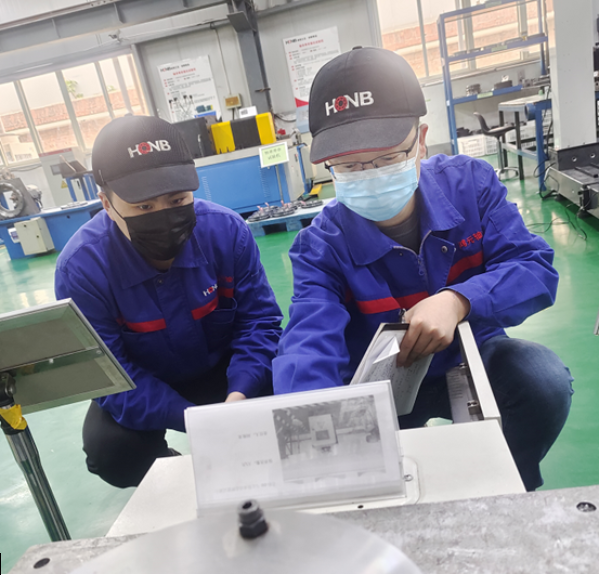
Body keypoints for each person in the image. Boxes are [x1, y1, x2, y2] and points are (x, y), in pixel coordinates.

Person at [272, 47, 573, 491]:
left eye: (388, 158)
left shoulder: (470, 186)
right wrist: (305, 422)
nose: (370, 174)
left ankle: (510, 488)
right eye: (350, 166)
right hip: (380, 385)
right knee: (389, 479)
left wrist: (458, 300)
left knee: (540, 379)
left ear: (422, 140)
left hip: (469, 360)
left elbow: (534, 269)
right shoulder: (321, 245)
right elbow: (308, 342)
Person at [55, 115, 282, 488]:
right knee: (112, 452)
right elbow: (112, 378)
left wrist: (241, 390)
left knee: (292, 393)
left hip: (226, 368)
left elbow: (259, 323)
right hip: (144, 380)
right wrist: (192, 418)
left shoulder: (226, 232)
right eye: (144, 207)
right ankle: (177, 475)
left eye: (177, 200)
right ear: (107, 204)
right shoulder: (82, 269)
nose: (164, 216)